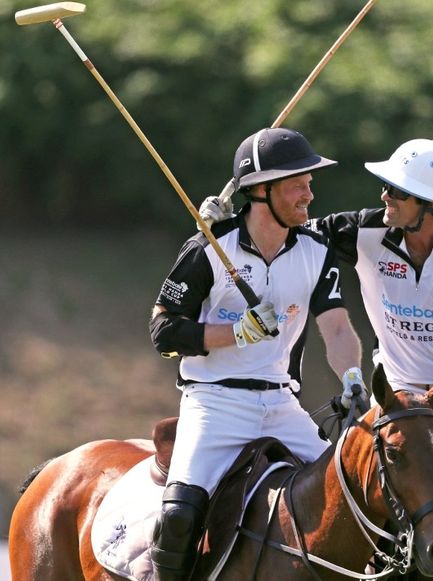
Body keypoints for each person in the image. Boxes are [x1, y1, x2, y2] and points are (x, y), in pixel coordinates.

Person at [201, 138, 433, 431]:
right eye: (386, 186)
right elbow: (281, 229)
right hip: (397, 398)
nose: (384, 196)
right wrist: (229, 223)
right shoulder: (363, 230)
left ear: (432, 204)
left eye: (397, 190)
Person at [148, 127, 366, 581]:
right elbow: (164, 330)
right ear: (261, 191)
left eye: (309, 181)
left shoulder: (316, 250)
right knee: (179, 516)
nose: (310, 192)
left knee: (353, 492)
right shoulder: (210, 246)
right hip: (214, 403)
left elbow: (338, 327)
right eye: (298, 183)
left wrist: (352, 377)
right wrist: (237, 332)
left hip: (282, 405)